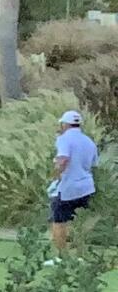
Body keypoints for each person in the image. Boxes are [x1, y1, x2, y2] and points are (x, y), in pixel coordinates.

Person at [50, 107, 96, 256]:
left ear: (65, 124)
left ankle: (62, 256)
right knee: (80, 222)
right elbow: (94, 163)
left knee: (59, 221)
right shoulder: (89, 141)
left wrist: (55, 176)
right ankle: (80, 255)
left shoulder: (64, 139)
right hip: (86, 187)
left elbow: (63, 159)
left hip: (68, 187)